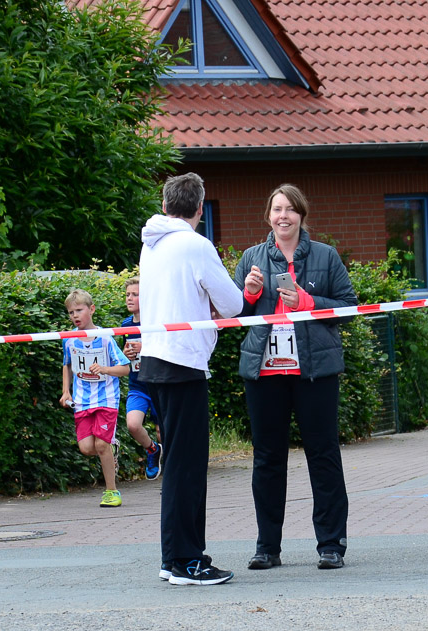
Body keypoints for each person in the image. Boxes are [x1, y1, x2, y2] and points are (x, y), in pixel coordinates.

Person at [233, 184, 355, 571]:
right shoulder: (252, 257)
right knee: (267, 458)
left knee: (323, 454)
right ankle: (267, 547)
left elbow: (349, 307)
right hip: (265, 373)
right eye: (277, 209)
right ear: (268, 216)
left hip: (314, 373)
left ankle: (331, 544)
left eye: (289, 209)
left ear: (301, 215)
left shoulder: (325, 256)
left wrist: (308, 302)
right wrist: (249, 295)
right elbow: (233, 315)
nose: (283, 216)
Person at [137, 172, 244, 586]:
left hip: (154, 360)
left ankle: (173, 558)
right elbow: (232, 304)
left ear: (166, 206)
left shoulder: (152, 243)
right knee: (188, 467)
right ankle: (187, 560)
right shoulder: (197, 245)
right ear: (200, 208)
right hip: (183, 364)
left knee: (176, 463)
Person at [59, 288, 131, 507]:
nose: (75, 316)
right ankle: (112, 447)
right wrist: (66, 390)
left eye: (79, 310)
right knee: (86, 447)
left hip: (106, 399)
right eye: (71, 312)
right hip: (82, 400)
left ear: (91, 309)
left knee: (100, 445)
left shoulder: (106, 338)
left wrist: (104, 369)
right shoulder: (69, 339)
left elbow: (125, 368)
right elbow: (67, 364)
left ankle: (112, 491)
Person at [117, 277, 164, 480]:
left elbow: (166, 348)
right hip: (137, 385)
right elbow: (122, 357)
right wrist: (125, 354)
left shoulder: (155, 323)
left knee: (163, 431)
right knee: (133, 425)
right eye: (127, 294)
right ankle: (152, 449)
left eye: (135, 295)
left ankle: (171, 471)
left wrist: (145, 348)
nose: (129, 298)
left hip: (158, 383)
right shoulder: (125, 325)